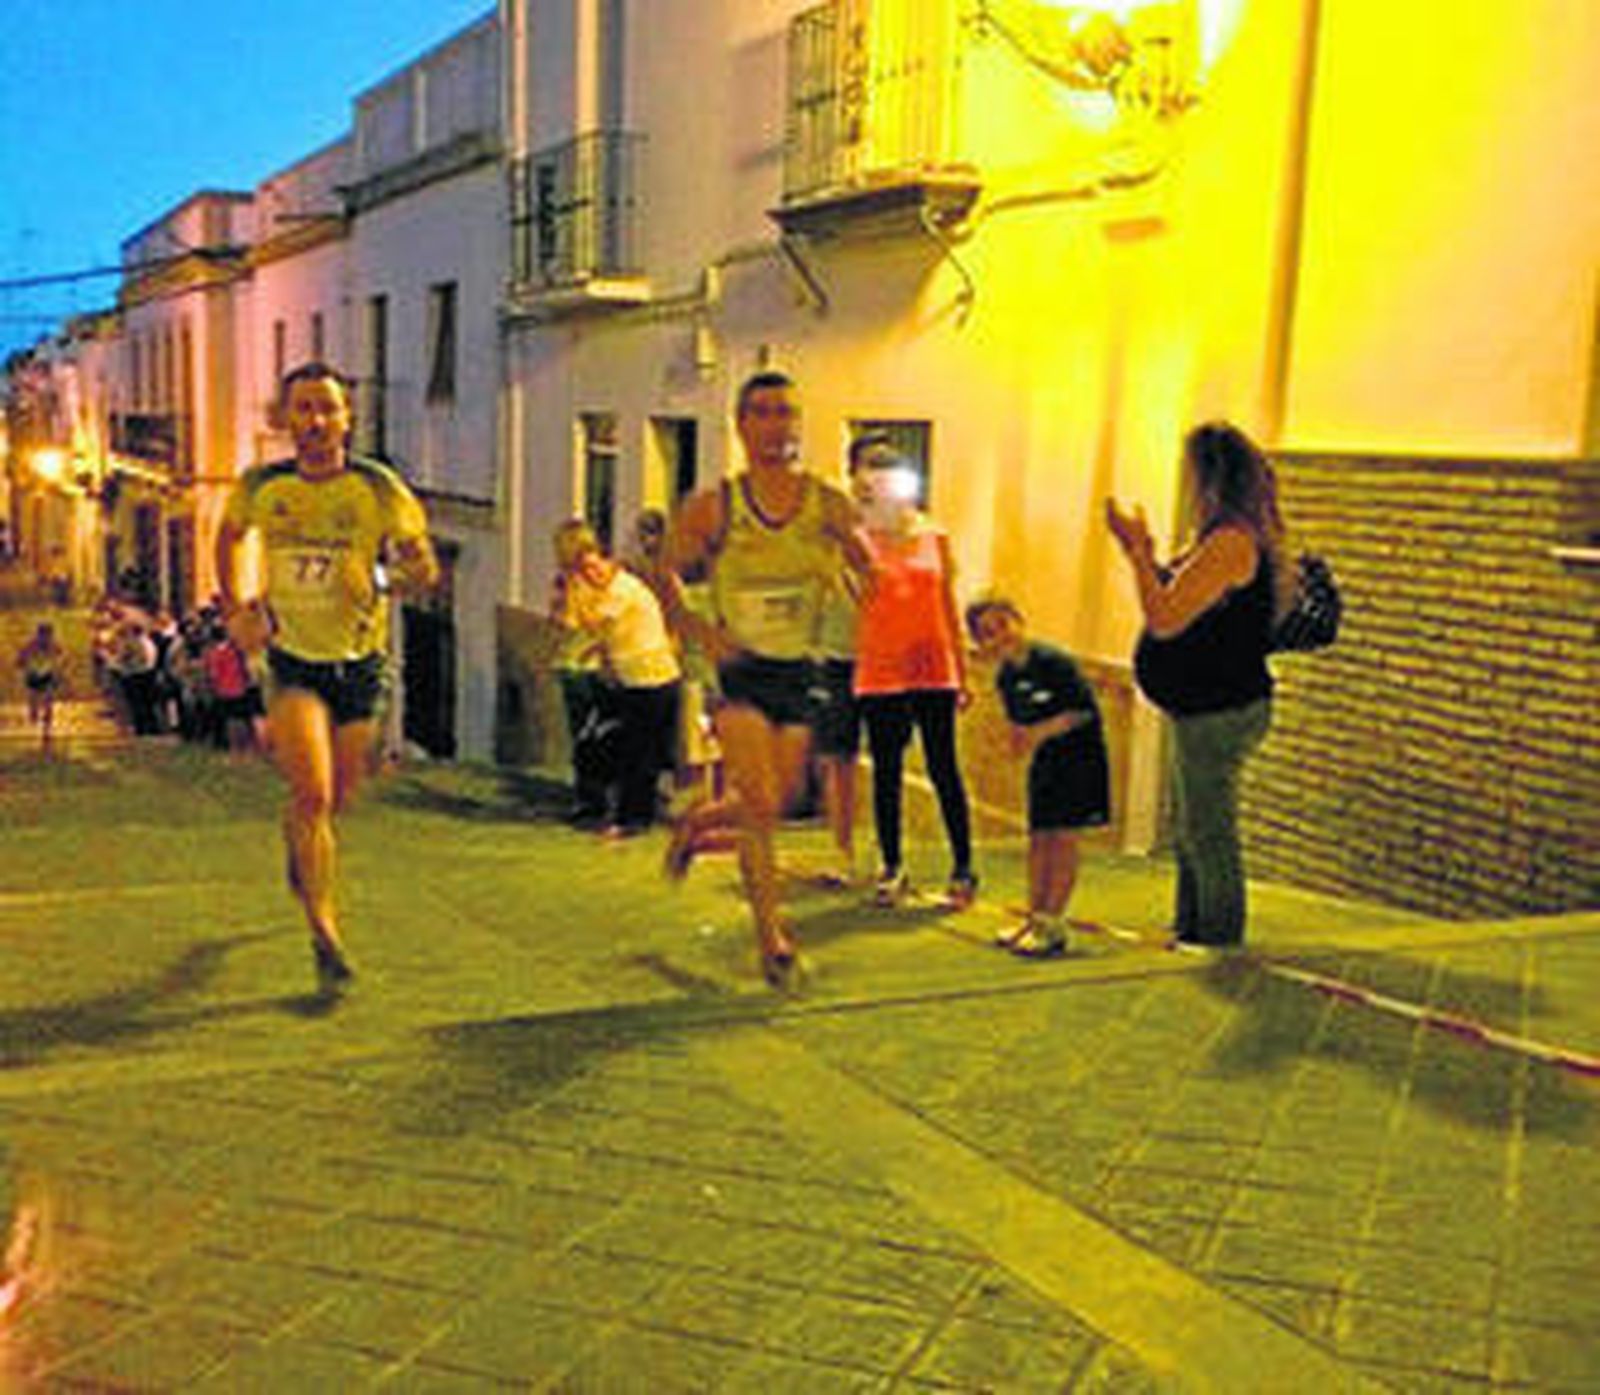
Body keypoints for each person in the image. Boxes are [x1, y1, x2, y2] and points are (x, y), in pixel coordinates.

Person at [215, 361, 438, 991]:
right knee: (312, 794)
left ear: (347, 417)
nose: (315, 421)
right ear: (285, 418)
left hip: (359, 663)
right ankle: (324, 929)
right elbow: (227, 537)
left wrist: (380, 579)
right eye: (303, 408)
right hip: (292, 663)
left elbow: (425, 571)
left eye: (326, 408)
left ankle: (301, 844)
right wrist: (236, 610)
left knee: (336, 799)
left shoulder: (378, 487)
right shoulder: (264, 484)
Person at [662, 370, 868, 986]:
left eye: (786, 413)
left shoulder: (827, 503)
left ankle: (698, 823)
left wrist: (860, 584)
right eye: (764, 413)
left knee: (776, 798)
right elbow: (664, 571)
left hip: (799, 667)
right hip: (739, 669)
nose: (777, 425)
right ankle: (771, 937)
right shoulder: (716, 506)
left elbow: (865, 564)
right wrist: (703, 634)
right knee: (758, 803)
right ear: (742, 425)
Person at [1106, 420, 1292, 950]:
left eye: (1188, 473)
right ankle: (1189, 931)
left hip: (1220, 708)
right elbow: (1179, 600)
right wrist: (1142, 552)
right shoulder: (1218, 539)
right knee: (1193, 827)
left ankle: (1217, 942)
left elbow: (1165, 618)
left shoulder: (1230, 542)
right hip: (1205, 704)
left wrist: (1137, 553)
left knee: (1209, 832)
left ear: (1208, 479)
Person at [851, 434, 977, 909]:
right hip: (881, 666)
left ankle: (963, 866)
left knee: (945, 766)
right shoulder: (857, 541)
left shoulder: (934, 536)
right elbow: (848, 598)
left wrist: (962, 670)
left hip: (933, 663)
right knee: (887, 769)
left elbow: (947, 602)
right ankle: (892, 865)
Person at [966, 595, 1110, 957]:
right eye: (988, 633)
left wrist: (1036, 733)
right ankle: (1034, 918)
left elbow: (1082, 713)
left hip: (1080, 759)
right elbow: (1018, 726)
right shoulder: (1007, 676)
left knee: (1063, 839)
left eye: (1003, 625)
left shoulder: (1053, 662)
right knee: (1039, 839)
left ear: (1018, 621)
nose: (1000, 636)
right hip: (1045, 762)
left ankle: (1053, 924)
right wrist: (1013, 745)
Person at [552, 520, 682, 835]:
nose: (591, 575)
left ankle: (632, 820)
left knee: (640, 754)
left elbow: (587, 624)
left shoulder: (623, 590)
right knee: (600, 744)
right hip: (632, 681)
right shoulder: (604, 591)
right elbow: (570, 624)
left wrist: (574, 589)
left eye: (594, 568)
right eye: (584, 571)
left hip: (654, 680)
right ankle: (604, 808)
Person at [15, 622, 65, 753]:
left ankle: (46, 728)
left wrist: (58, 671)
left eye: (48, 636)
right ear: (38, 635)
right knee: (34, 697)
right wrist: (23, 665)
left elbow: (61, 659)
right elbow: (20, 659)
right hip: (33, 674)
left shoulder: (54, 646)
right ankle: (34, 711)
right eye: (44, 635)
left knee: (49, 700)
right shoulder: (30, 646)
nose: (46, 639)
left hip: (47, 674)